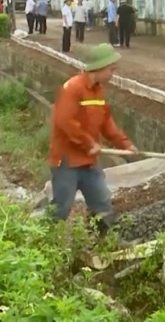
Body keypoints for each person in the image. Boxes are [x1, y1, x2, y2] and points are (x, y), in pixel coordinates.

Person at [48, 43, 137, 235]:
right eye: (111, 69)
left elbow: (106, 123)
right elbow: (65, 121)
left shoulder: (99, 92)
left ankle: (106, 243)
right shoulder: (72, 88)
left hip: (89, 161)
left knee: (102, 203)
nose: (113, 74)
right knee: (61, 207)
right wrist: (88, 143)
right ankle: (46, 246)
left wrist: (125, 143)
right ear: (100, 67)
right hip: (67, 161)